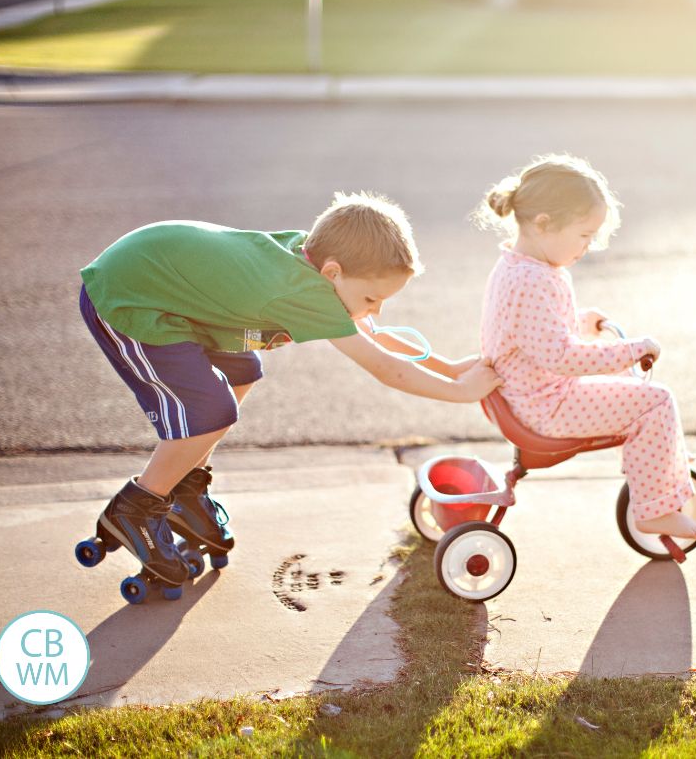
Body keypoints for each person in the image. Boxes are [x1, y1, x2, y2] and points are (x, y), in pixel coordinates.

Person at [78, 191, 502, 595]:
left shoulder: (314, 262)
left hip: (168, 286)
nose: (374, 311)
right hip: (130, 295)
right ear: (333, 273)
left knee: (243, 369)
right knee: (209, 409)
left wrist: (450, 368)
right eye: (371, 298)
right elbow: (386, 369)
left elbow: (378, 337)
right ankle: (138, 505)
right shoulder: (310, 294)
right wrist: (461, 393)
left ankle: (185, 485)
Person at [478, 154, 696, 541]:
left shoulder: (519, 267)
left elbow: (533, 333)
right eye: (584, 236)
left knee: (631, 390)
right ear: (543, 224)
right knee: (656, 400)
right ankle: (657, 509)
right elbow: (562, 357)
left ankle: (659, 463)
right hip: (546, 407)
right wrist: (630, 350)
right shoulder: (535, 280)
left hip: (530, 394)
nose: (588, 247)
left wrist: (579, 322)